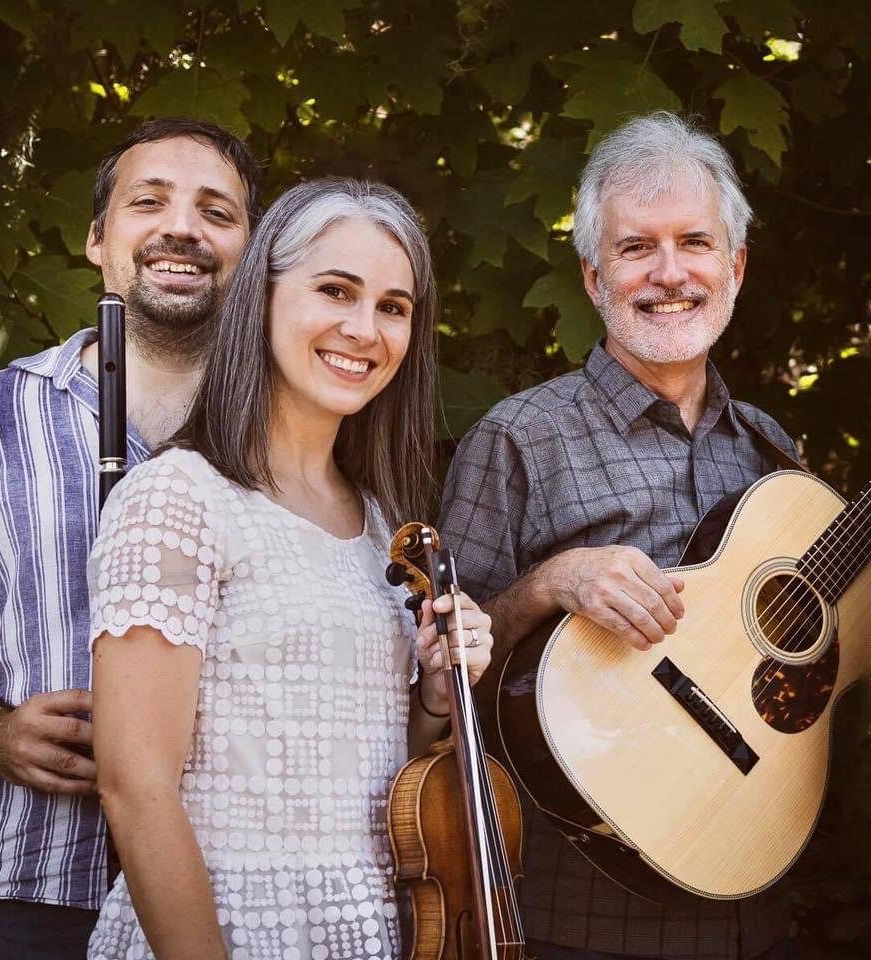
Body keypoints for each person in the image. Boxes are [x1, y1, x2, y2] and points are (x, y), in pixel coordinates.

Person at [84, 177, 494, 960]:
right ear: (262, 300)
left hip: (371, 928)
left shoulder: (381, 522)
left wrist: (437, 698)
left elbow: (368, 766)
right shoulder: (180, 497)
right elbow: (136, 789)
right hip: (223, 928)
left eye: (393, 306)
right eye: (335, 290)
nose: (363, 329)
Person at [437, 112, 798, 960]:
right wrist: (548, 583)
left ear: (735, 267)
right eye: (637, 248)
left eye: (696, 243)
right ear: (595, 278)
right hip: (590, 917)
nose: (670, 273)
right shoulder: (519, 437)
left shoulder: (774, 452)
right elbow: (433, 684)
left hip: (764, 908)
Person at [0, 116, 262, 958]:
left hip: (247, 878)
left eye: (218, 211)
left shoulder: (304, 435)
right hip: (41, 883)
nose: (183, 226)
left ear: (254, 251)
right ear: (98, 238)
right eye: (150, 202)